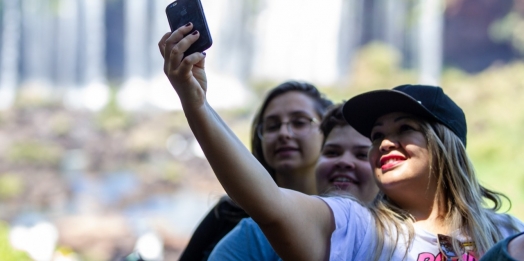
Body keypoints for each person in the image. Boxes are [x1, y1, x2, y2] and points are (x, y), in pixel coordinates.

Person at [159, 24, 523, 260]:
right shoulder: (357, 227)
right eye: (377, 135)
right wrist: (197, 106)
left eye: (404, 129)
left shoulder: (508, 232)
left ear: (446, 144)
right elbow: (268, 203)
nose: (383, 143)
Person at [178, 80, 333, 261]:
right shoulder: (228, 212)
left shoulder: (341, 218)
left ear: (328, 132)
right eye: (272, 126)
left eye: (299, 122)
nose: (284, 133)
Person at [207, 103, 379, 260]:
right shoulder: (256, 234)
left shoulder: (399, 241)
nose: (343, 161)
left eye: (362, 154)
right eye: (332, 152)